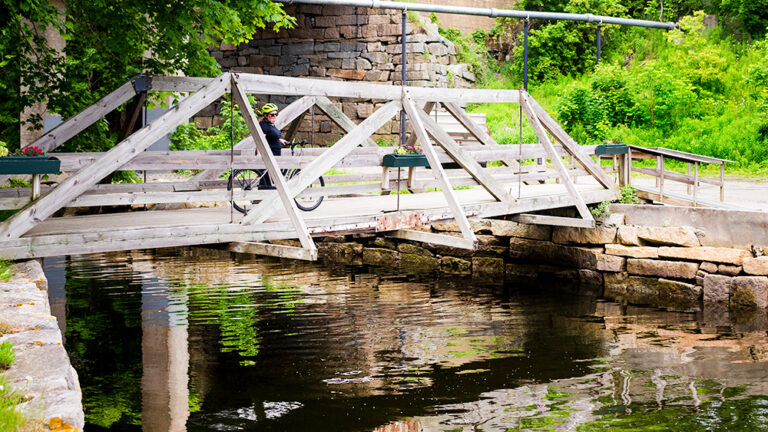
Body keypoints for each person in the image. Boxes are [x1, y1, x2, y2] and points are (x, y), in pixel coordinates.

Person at [258, 103, 287, 189]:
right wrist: (259, 153)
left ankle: (262, 196)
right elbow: (260, 140)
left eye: (276, 114)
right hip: (270, 154)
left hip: (275, 154)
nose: (275, 116)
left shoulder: (270, 125)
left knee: (268, 177)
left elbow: (271, 136)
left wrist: (279, 140)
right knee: (267, 176)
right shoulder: (264, 126)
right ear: (266, 115)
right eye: (272, 115)